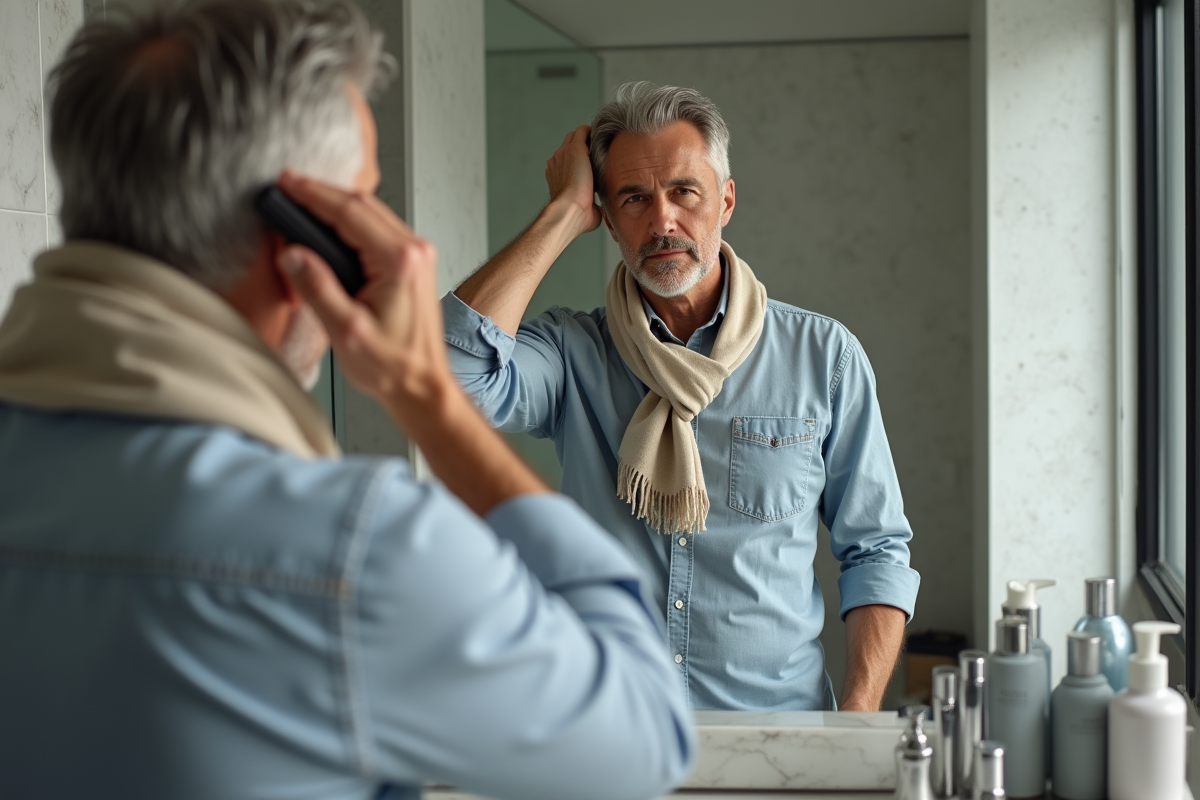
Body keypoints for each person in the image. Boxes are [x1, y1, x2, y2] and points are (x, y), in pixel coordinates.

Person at [0, 4, 694, 800]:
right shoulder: (352, 551)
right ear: (307, 238)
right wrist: (426, 392)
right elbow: (643, 740)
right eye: (365, 199)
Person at [445, 81, 921, 711]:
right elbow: (449, 373)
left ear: (725, 201)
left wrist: (854, 726)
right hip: (610, 730)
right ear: (607, 217)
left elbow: (876, 550)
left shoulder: (823, 357)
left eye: (684, 192)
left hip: (778, 742)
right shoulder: (569, 352)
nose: (662, 220)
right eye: (634, 198)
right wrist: (560, 214)